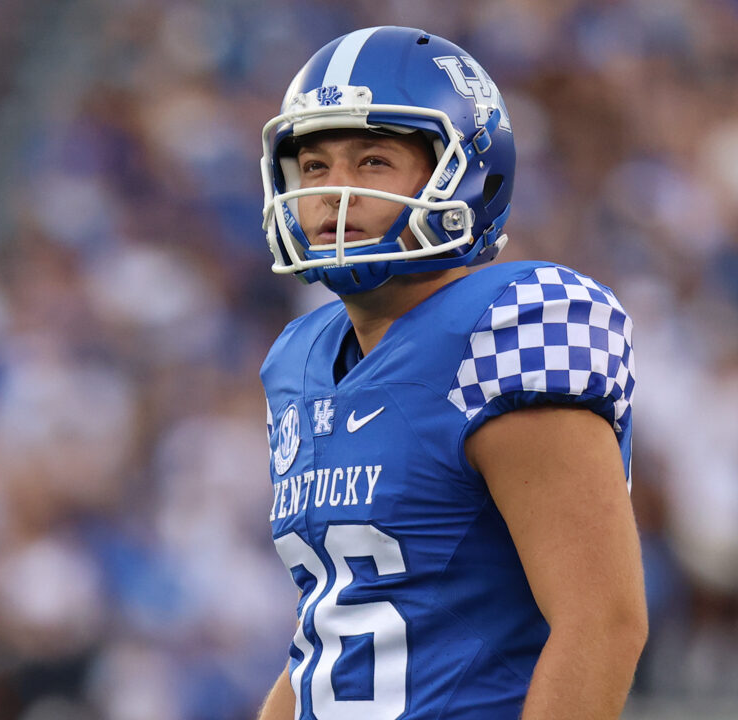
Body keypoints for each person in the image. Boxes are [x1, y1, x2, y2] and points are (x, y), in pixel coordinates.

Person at [254, 26, 646, 720]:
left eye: (372, 162)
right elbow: (328, 633)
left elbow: (602, 622)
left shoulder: (504, 332)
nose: (331, 193)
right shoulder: (300, 359)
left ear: (466, 171)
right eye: (313, 166)